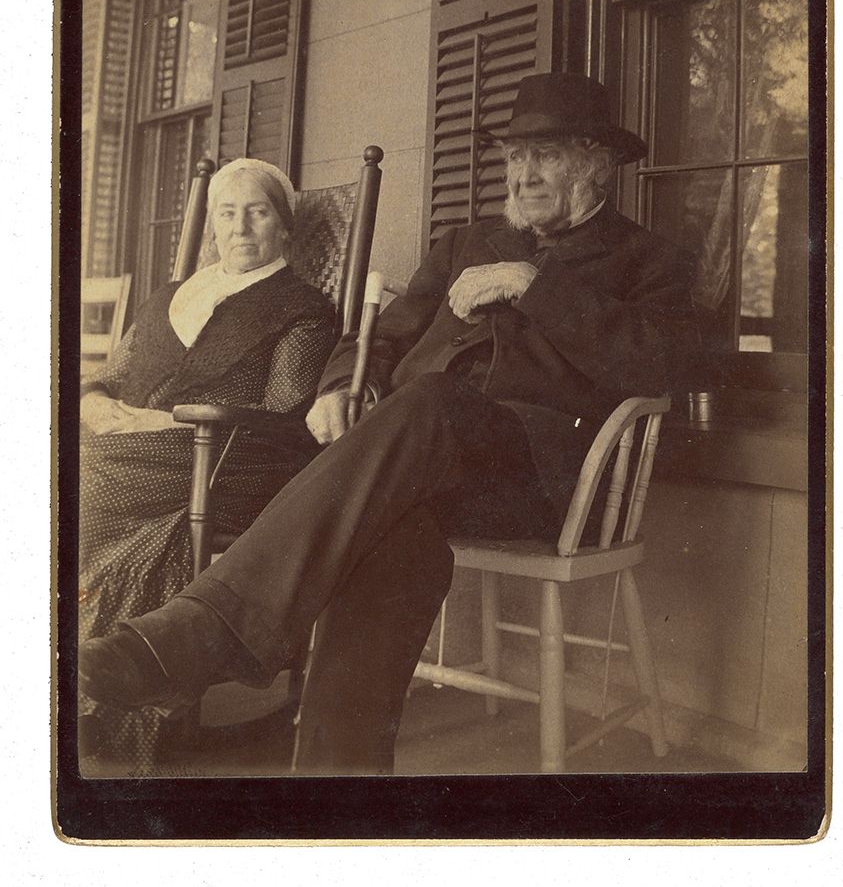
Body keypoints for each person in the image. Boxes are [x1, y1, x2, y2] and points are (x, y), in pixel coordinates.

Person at [79, 74, 698, 776]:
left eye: (546, 157)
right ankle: (338, 779)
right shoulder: (463, 242)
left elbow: (664, 366)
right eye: (513, 157)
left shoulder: (651, 260)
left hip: (534, 479)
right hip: (413, 465)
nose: (523, 175)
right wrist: (345, 385)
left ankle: (210, 629)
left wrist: (533, 286)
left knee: (430, 402)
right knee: (391, 534)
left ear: (597, 163)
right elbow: (375, 339)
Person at [78, 158, 337, 774]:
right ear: (212, 227)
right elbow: (111, 377)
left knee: (67, 486)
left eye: (259, 211)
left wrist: (158, 422)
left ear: (284, 229)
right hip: (140, 454)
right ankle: (92, 682)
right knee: (79, 482)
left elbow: (284, 410)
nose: (242, 227)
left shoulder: (302, 308)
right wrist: (94, 404)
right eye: (228, 213)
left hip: (237, 460)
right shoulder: (171, 297)